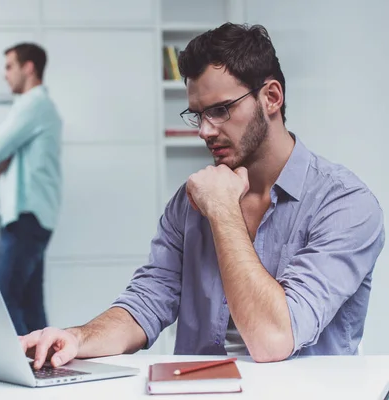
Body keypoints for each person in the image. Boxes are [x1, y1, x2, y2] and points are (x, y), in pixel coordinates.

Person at [19, 23, 385, 369]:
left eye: (220, 110)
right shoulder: (189, 201)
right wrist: (77, 338)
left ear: (271, 97)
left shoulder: (345, 205)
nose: (205, 131)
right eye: (197, 115)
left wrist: (223, 210)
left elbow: (273, 338)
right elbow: (148, 300)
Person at [0, 43, 63, 336]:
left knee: (1, 300)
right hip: (34, 218)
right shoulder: (38, 108)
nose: (5, 75)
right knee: (30, 307)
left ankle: (20, 371)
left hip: (25, 218)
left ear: (29, 68)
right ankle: (46, 370)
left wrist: (3, 154)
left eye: (9, 66)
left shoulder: (34, 105)